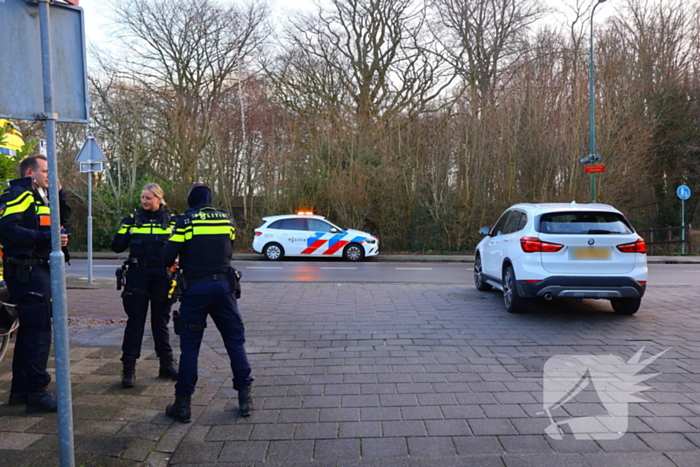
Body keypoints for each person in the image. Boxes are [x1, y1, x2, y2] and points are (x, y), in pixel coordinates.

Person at [162, 183, 253, 423]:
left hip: (196, 289)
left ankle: (183, 406)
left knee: (190, 349)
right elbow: (228, 250)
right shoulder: (226, 220)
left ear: (191, 200)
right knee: (235, 342)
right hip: (225, 288)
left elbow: (167, 256)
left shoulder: (185, 221)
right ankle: (245, 400)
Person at [0, 155, 70, 412]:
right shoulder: (18, 194)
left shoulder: (39, 196)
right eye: (46, 171)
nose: (51, 176)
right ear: (31, 172)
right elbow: (7, 230)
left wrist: (59, 194)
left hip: (37, 270)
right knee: (38, 332)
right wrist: (47, 239)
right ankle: (37, 392)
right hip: (27, 271)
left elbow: (62, 220)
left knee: (32, 332)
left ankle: (21, 391)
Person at [111, 183, 178, 388]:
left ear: (159, 199)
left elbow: (183, 246)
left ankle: (166, 364)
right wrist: (125, 230)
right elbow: (116, 246)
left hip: (162, 275)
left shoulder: (172, 221)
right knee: (135, 322)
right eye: (142, 197)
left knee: (160, 322)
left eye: (148, 198)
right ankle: (129, 367)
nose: (144, 201)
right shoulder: (132, 220)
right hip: (137, 274)